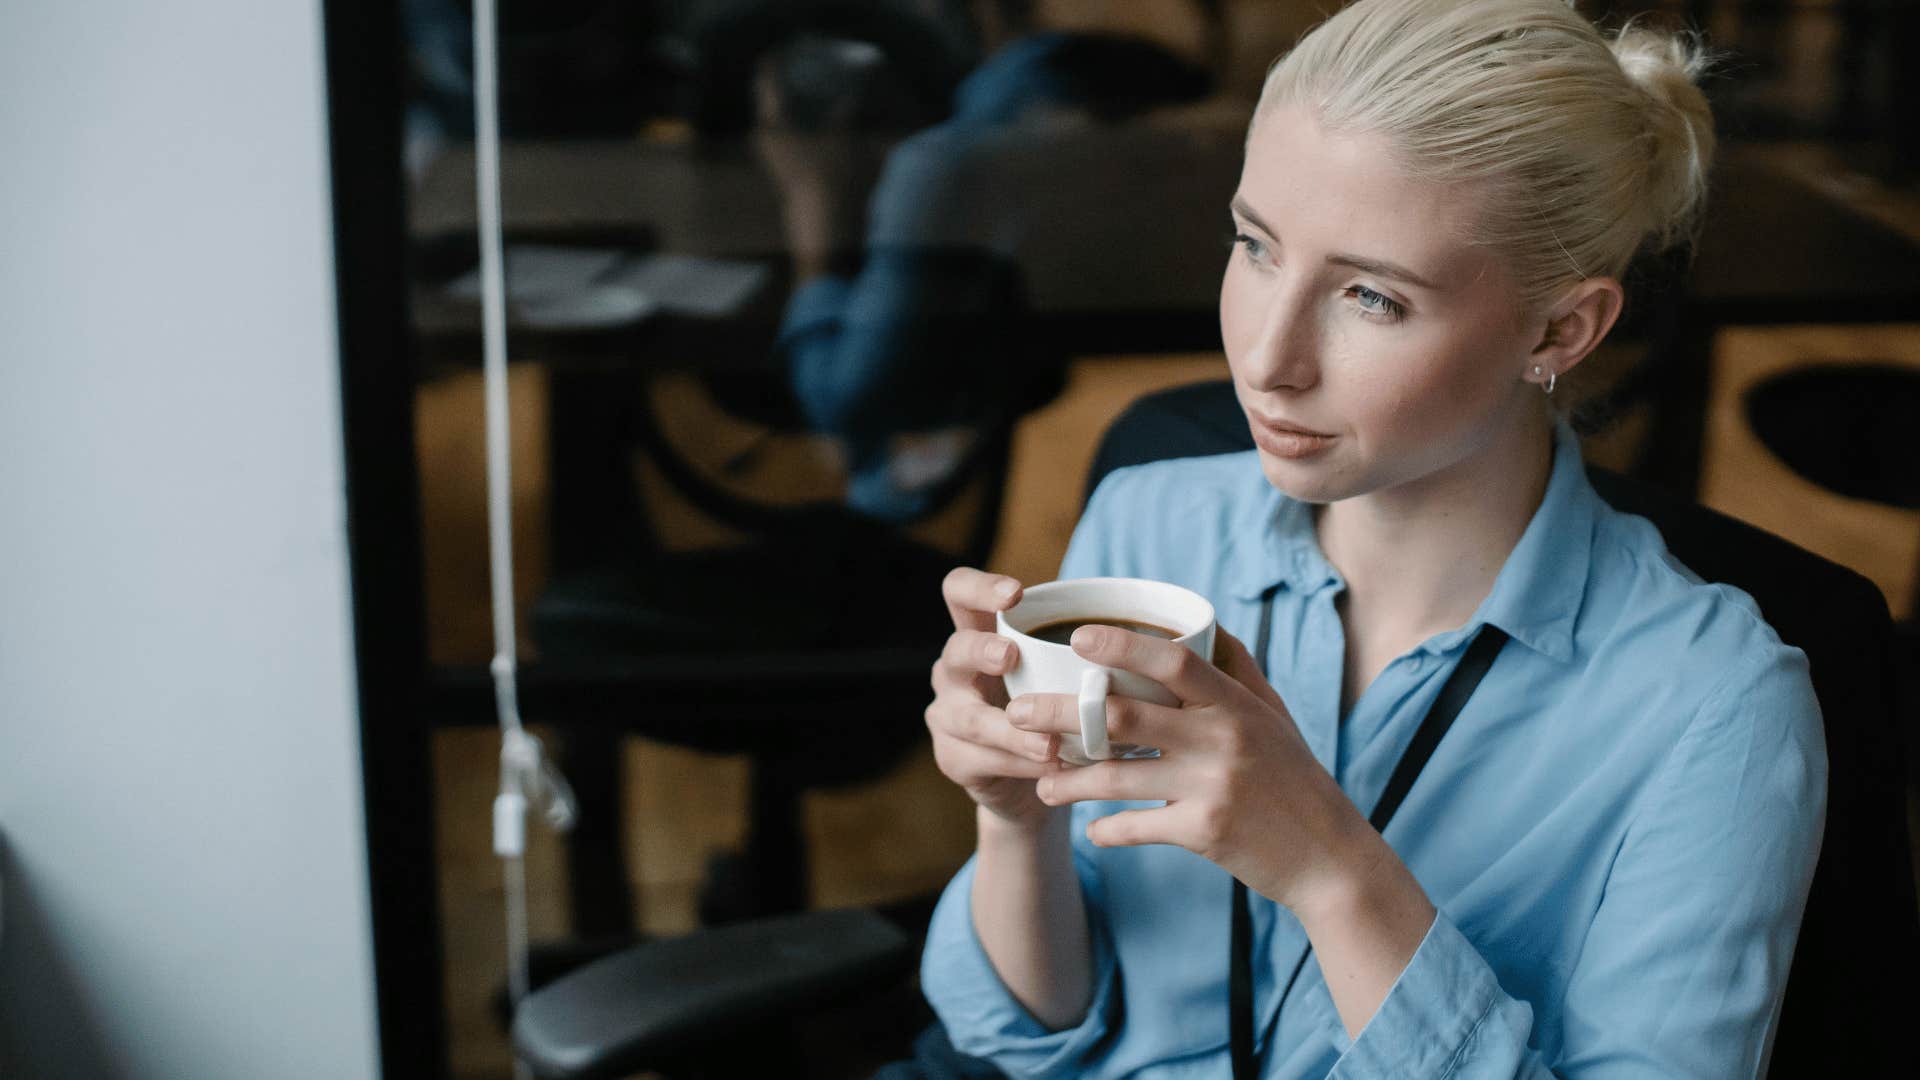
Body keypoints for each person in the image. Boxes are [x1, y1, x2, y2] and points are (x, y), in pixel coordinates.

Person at [917, 1, 1827, 1077]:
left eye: (1370, 296)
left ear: (1560, 329)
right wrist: (1017, 820)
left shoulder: (1716, 708)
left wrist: (1330, 870)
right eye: (1254, 246)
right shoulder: (1149, 520)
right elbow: (1031, 1034)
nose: (1266, 357)